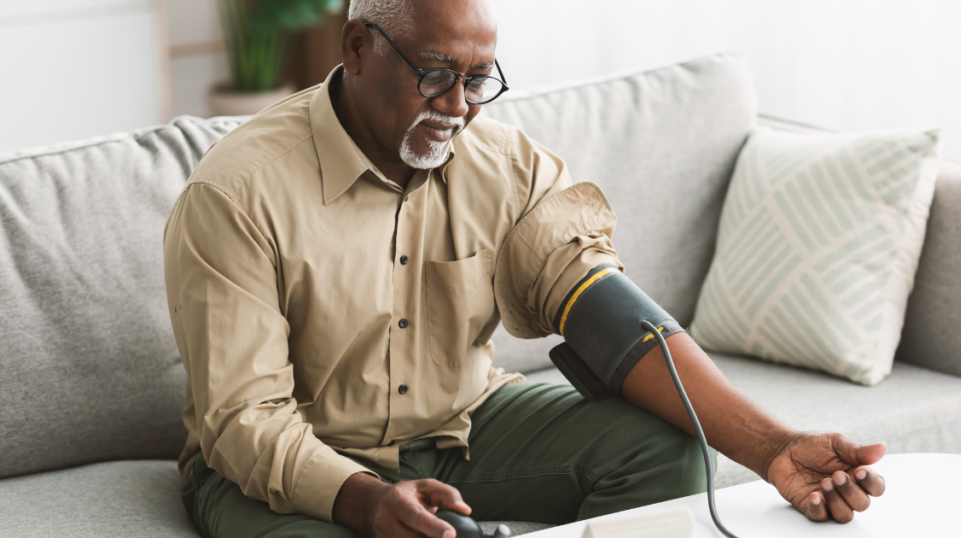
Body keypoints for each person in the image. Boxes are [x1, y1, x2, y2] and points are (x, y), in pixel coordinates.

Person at [164, 1, 887, 537]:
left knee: (670, 457)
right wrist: (363, 498)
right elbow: (242, 420)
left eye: (479, 80)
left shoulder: (506, 166)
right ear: (357, 46)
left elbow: (609, 317)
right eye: (436, 74)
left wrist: (773, 448)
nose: (457, 107)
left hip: (460, 425)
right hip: (287, 462)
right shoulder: (237, 192)